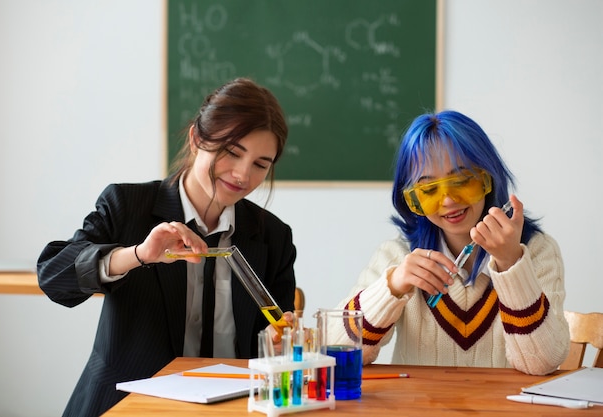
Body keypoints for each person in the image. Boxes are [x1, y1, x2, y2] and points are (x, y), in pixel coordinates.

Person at [37, 78, 297, 417]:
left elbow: (276, 336)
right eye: (232, 152)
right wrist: (137, 255)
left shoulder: (273, 237)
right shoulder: (127, 205)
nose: (242, 174)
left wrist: (280, 345)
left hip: (232, 409)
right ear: (196, 139)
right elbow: (53, 276)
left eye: (261, 164)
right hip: (129, 408)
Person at [335, 110, 569, 376]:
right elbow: (334, 349)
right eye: (429, 190)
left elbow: (542, 364)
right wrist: (393, 286)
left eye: (461, 181)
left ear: (488, 179)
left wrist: (511, 264)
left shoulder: (537, 251)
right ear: (412, 200)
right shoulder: (398, 254)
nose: (448, 201)